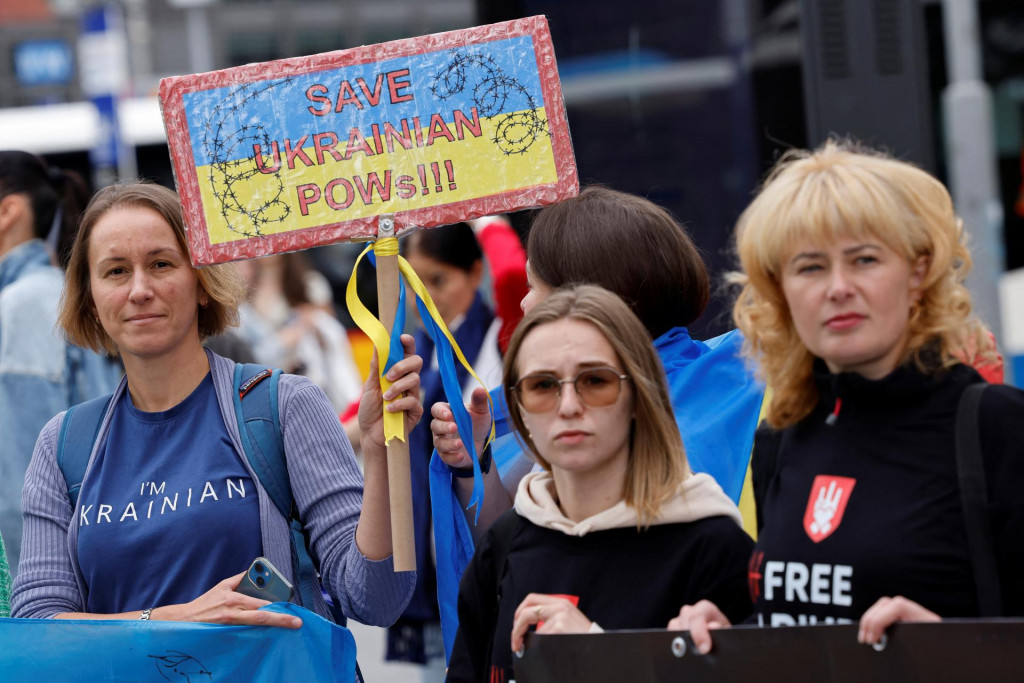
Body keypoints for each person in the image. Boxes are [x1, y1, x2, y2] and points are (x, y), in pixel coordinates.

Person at [11, 182, 421, 629]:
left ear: (202, 282)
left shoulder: (285, 406)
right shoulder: (63, 445)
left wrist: (381, 455)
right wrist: (177, 618)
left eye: (161, 264)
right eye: (115, 272)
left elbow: (375, 601)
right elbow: (38, 625)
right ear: (90, 302)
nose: (140, 289)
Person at [669, 140, 1024, 651]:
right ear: (781, 290)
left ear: (918, 272)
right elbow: (810, 631)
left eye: (864, 260)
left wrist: (955, 649)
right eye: (810, 267)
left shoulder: (994, 426)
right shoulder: (782, 436)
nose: (838, 287)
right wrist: (737, 634)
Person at [428, 186, 764, 657]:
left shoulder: (713, 541)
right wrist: (475, 463)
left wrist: (594, 647)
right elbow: (521, 545)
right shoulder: (729, 377)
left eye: (533, 288)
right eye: (544, 387)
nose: (568, 408)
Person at [446, 285, 753, 682]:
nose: (569, 406)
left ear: (638, 396)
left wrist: (600, 653)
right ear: (519, 410)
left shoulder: (713, 549)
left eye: (595, 381)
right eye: (542, 386)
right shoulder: (504, 546)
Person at [385, 219, 526, 670]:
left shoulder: (502, 339)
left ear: (474, 272)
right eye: (415, 282)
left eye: (438, 280)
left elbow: (510, 276)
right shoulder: (414, 350)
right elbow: (353, 418)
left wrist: (485, 218)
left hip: (496, 539)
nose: (426, 295)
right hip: (433, 558)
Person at [0, 151, 120, 576]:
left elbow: (18, 493)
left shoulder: (19, 307)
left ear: (7, 212)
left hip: (48, 587)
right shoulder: (52, 295)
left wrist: (24, 611)